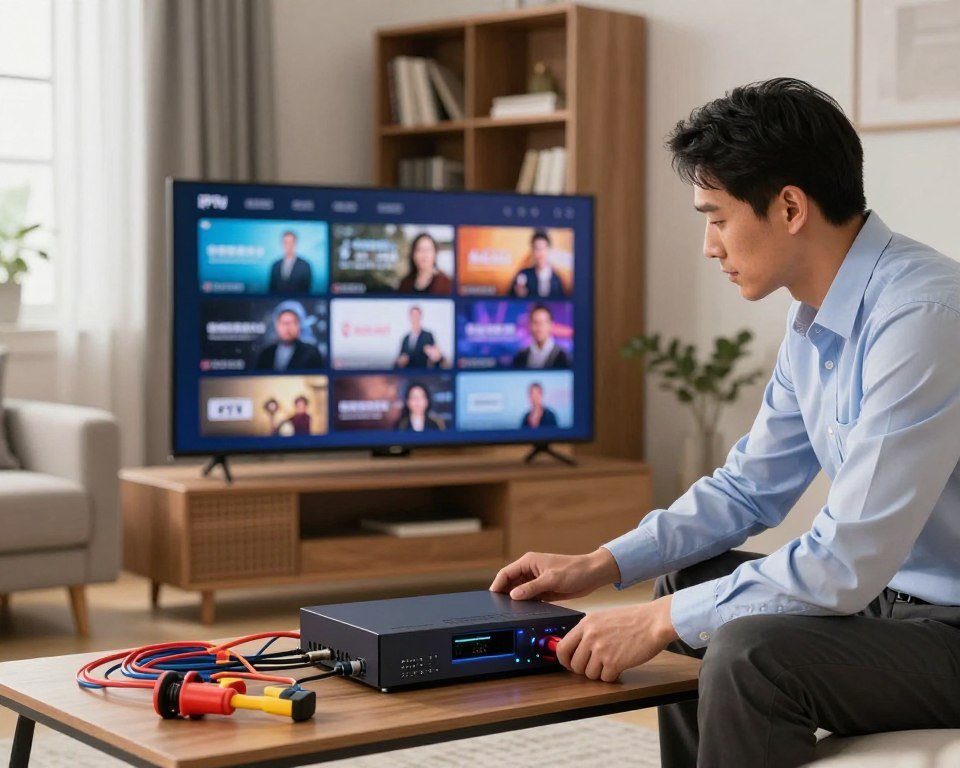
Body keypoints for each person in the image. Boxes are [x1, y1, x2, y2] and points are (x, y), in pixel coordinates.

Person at [490, 78, 960, 768]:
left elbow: (847, 558)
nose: (709, 245)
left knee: (748, 652)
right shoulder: (815, 317)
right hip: (889, 604)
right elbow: (750, 489)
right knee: (688, 582)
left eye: (716, 216)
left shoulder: (922, 318)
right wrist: (601, 564)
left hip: (947, 628)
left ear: (791, 207)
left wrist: (655, 624)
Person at [254, 301, 324, 371]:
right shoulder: (266, 353)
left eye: (292, 323)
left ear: (299, 325)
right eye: (284, 323)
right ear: (277, 326)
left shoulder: (311, 353)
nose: (287, 328)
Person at [508, 231, 566, 298]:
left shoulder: (557, 279)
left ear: (549, 250)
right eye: (537, 249)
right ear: (532, 251)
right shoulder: (523, 274)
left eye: (543, 249)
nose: (540, 253)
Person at [512, 304, 570, 369]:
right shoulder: (520, 357)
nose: (539, 327)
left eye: (543, 322)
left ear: (551, 325)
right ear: (530, 325)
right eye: (535, 322)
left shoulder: (563, 357)